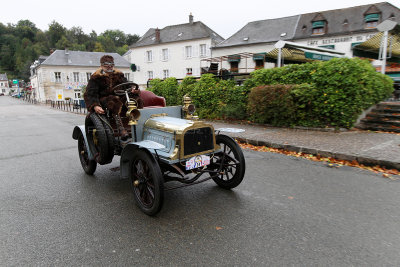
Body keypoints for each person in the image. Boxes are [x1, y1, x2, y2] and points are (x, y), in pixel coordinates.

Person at [84, 55, 132, 140]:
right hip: (103, 100)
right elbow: (90, 93)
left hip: (119, 97)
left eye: (111, 64)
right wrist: (95, 105)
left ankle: (138, 125)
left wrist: (133, 89)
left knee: (135, 99)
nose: (110, 66)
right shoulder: (96, 77)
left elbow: (127, 85)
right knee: (113, 101)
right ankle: (121, 129)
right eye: (107, 64)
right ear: (102, 65)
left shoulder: (119, 75)